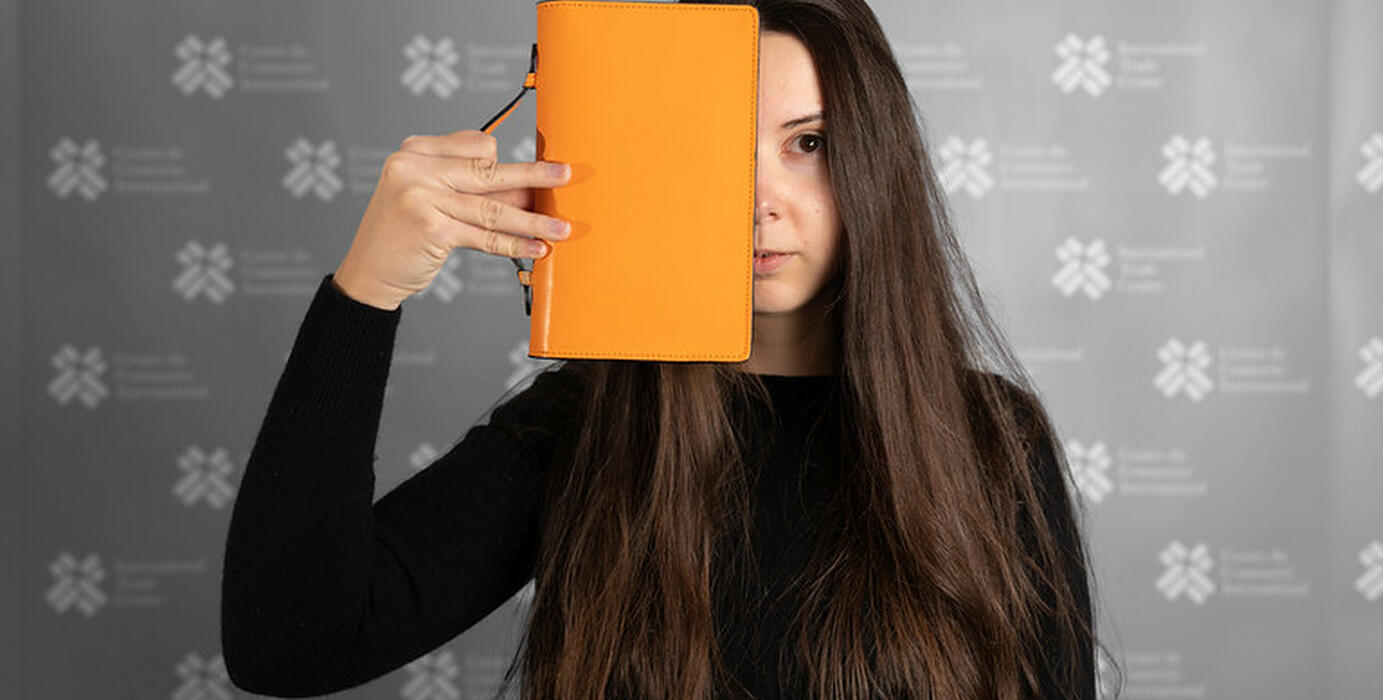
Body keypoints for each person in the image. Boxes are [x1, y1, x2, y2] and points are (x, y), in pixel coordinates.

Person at [221, 0, 1116, 698]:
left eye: (810, 143)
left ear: (877, 159)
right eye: (719, 148)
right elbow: (288, 640)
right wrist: (366, 292)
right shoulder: (583, 429)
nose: (758, 202)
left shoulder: (993, 438)